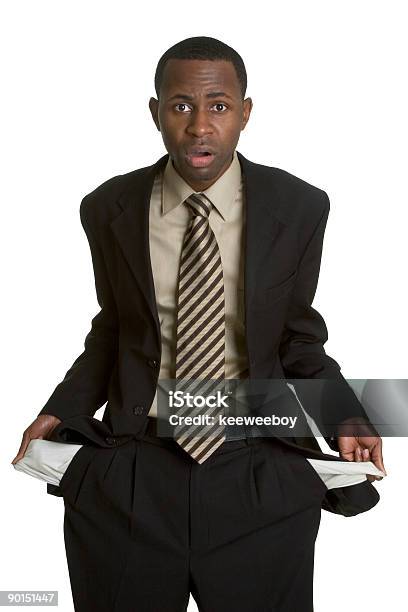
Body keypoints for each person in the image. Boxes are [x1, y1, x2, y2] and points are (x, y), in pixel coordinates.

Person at [12, 36, 386, 612]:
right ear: (156, 111)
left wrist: (344, 411)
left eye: (218, 105)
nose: (199, 126)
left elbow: (298, 337)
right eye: (181, 105)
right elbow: (113, 329)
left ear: (245, 112)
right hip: (135, 472)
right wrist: (61, 409)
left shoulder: (300, 206)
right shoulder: (107, 206)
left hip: (257, 465)